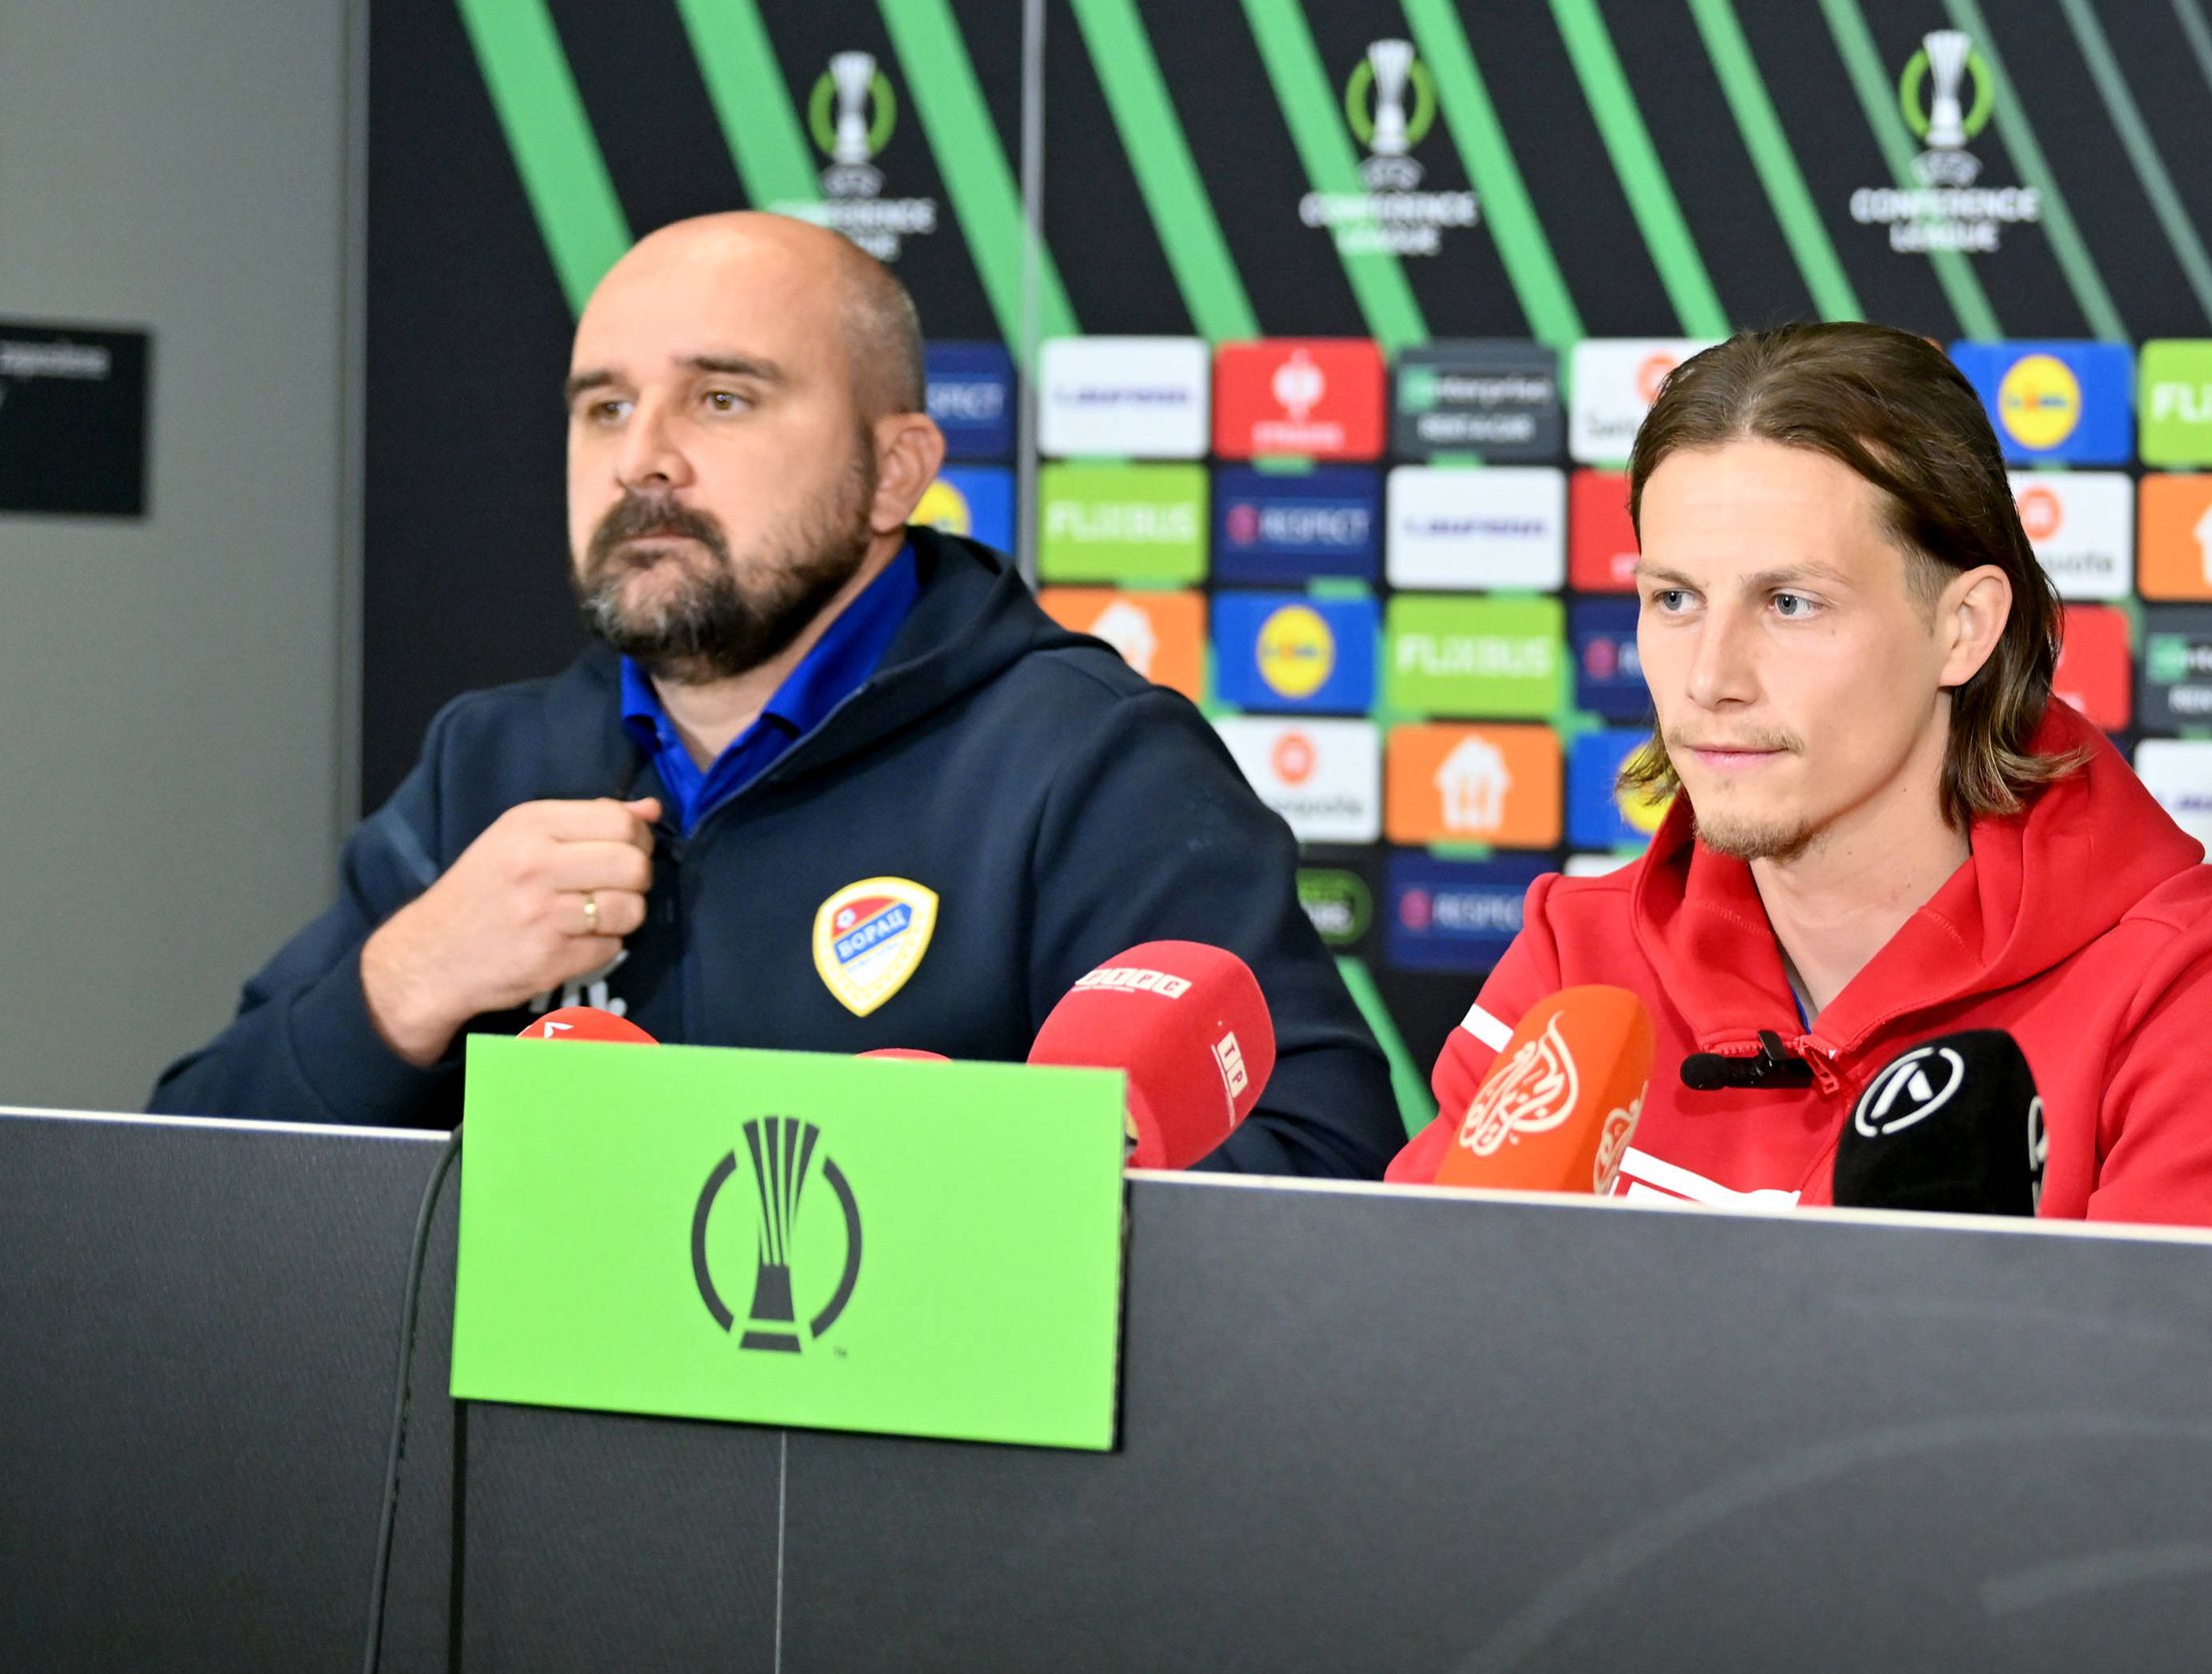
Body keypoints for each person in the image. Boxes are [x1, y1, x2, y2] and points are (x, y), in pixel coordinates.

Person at [153, 213, 1396, 1175]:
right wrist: (408, 983)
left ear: (892, 470)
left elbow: (1316, 1176)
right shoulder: (493, 762)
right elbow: (190, 1172)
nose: (643, 456)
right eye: (604, 407)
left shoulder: (1086, 761)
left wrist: (972, 1176)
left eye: (723, 397)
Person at [1387, 322, 2212, 1226]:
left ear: (1962, 628)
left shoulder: (2195, 988)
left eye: (1790, 603)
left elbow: (2145, 1391)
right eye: (1673, 598)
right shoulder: (1574, 964)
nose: (1711, 678)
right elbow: (1417, 1339)